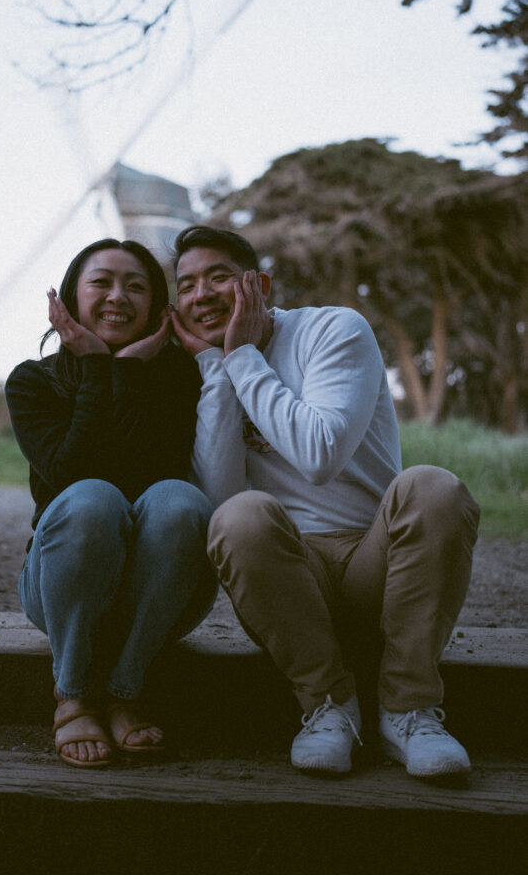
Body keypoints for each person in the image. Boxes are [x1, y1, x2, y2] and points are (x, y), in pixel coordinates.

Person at [170, 224, 480, 779]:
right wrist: (219, 373)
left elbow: (319, 456)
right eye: (186, 285)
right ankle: (328, 708)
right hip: (291, 583)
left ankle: (409, 713)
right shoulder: (210, 369)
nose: (201, 295)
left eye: (219, 277)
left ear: (259, 285)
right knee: (238, 515)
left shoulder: (333, 330)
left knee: (433, 486)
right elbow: (220, 505)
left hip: (378, 568)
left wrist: (241, 356)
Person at [5, 238, 216, 768]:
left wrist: (127, 372)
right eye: (102, 282)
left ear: (156, 306)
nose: (117, 296)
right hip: (61, 588)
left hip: (160, 590)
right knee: (92, 499)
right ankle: (73, 692)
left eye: (136, 285)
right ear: (73, 294)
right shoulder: (32, 381)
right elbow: (72, 476)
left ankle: (126, 689)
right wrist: (101, 369)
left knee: (179, 500)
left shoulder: (177, 377)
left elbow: (149, 478)